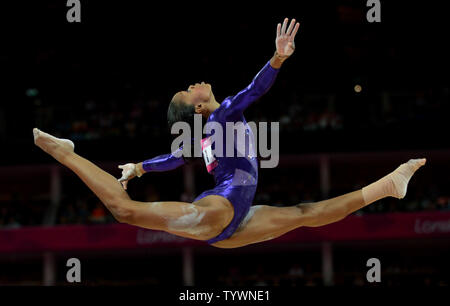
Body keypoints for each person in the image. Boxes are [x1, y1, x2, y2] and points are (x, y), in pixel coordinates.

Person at [33, 18, 426, 249]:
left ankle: (387, 186)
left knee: (307, 214)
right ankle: (66, 152)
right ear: (199, 107)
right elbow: (255, 90)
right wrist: (277, 58)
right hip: (221, 210)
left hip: (230, 222)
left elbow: (175, 157)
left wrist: (140, 167)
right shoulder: (221, 116)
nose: (195, 83)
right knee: (125, 211)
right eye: (190, 91)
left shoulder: (210, 133)